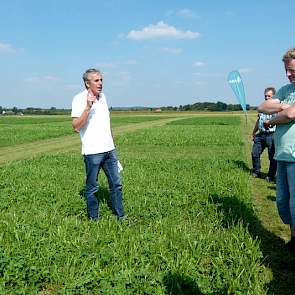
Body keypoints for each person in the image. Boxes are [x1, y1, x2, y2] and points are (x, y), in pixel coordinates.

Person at [71, 68, 125, 221]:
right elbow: (75, 126)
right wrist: (88, 107)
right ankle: (94, 219)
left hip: (109, 150)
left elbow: (107, 125)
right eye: (96, 80)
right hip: (93, 152)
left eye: (101, 80)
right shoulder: (79, 99)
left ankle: (120, 215)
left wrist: (113, 146)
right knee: (92, 188)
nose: (100, 83)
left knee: (116, 184)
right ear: (87, 84)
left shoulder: (104, 97)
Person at [258, 47, 295, 251]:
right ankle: (293, 235)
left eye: (292, 71)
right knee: (283, 200)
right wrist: (282, 107)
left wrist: (274, 119)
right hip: (282, 154)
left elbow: (291, 116)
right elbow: (262, 107)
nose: (289, 74)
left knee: (294, 204)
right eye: (286, 71)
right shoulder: (285, 90)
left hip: (294, 154)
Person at [251, 87, 277, 182]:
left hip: (272, 135)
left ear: (274, 96)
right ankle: (256, 171)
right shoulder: (262, 107)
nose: (266, 98)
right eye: (265, 96)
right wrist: (254, 131)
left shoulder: (278, 107)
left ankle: (270, 176)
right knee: (254, 153)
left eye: (269, 96)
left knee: (272, 157)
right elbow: (259, 120)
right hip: (260, 134)